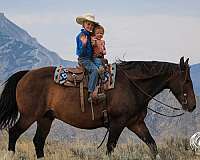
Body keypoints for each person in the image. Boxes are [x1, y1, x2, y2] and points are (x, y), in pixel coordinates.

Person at [75, 13, 105, 102]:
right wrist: (84, 45)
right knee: (95, 70)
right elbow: (80, 53)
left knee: (102, 66)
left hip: (91, 58)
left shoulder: (89, 35)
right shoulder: (82, 36)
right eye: (88, 24)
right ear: (83, 24)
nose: (90, 26)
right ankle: (91, 93)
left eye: (92, 25)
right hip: (84, 59)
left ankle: (102, 80)